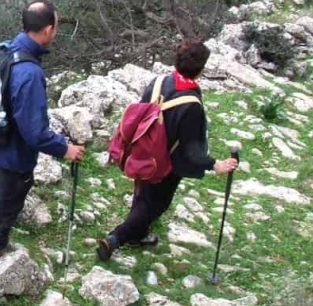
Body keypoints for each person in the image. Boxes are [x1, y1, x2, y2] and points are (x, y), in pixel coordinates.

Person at [97, 39, 238, 260]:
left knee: (143, 195)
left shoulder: (158, 82)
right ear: (200, 69)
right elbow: (192, 151)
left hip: (142, 150)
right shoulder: (191, 104)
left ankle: (137, 236)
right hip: (167, 163)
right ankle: (115, 239)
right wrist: (215, 164)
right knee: (155, 205)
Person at [0, 0, 85, 262]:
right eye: (56, 26)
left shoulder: (3, 49)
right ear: (48, 29)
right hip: (16, 150)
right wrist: (65, 149)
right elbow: (35, 133)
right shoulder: (29, 72)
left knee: (3, 176)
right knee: (12, 196)